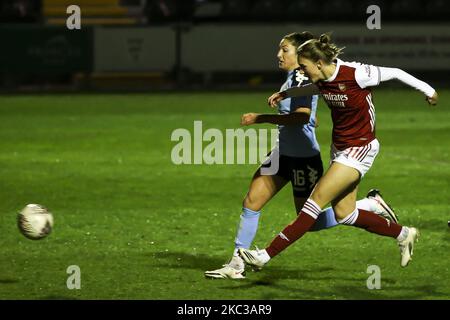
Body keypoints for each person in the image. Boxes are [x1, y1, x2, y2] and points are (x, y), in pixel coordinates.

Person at [205, 32, 399, 280]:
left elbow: (302, 115)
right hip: (282, 153)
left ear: (300, 54)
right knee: (251, 202)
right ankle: (236, 264)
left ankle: (369, 205)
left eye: (284, 49)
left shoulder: (301, 75)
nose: (279, 54)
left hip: (302, 158)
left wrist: (260, 118)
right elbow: (309, 112)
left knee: (312, 220)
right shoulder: (295, 77)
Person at [238, 34, 438, 271]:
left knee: (313, 204)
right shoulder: (321, 78)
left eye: (304, 66)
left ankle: (265, 255)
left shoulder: (356, 73)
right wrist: (286, 94)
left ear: (319, 63)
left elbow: (395, 72)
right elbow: (316, 88)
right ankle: (403, 233)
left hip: (359, 149)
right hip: (340, 149)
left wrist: (428, 90)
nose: (301, 70)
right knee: (345, 214)